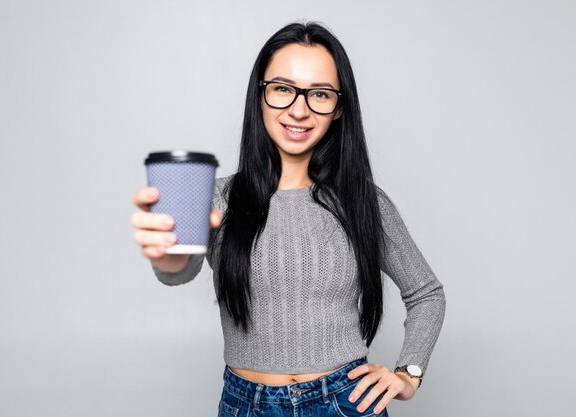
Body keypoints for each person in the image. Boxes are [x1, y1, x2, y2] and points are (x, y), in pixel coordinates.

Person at [131, 21, 446, 417]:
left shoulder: (364, 203)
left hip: (345, 403)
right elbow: (178, 268)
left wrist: (408, 374)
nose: (299, 109)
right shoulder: (220, 197)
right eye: (282, 89)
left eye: (319, 94)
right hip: (247, 404)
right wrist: (166, 255)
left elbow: (427, 294)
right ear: (260, 95)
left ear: (339, 108)